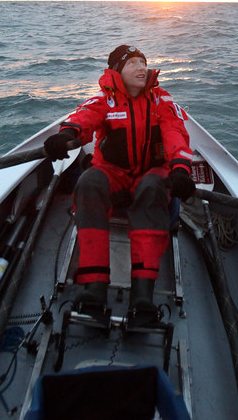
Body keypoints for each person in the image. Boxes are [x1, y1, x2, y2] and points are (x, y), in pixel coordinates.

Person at [44, 45, 196, 327]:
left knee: (153, 187)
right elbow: (83, 118)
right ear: (116, 71)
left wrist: (181, 170)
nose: (141, 68)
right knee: (88, 181)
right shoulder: (106, 100)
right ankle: (94, 288)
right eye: (133, 63)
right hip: (113, 174)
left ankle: (142, 296)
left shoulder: (162, 100)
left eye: (144, 62)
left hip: (150, 175)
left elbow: (176, 134)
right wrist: (66, 134)